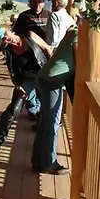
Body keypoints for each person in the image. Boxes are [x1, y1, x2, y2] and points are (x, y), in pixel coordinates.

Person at [0, 29, 52, 152]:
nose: (6, 39)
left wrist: (51, 70)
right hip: (25, 80)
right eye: (3, 40)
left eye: (5, 35)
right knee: (13, 109)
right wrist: (17, 85)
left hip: (41, 75)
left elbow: (47, 49)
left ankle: (44, 144)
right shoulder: (9, 50)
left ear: (10, 31)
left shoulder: (30, 36)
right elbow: (12, 71)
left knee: (47, 109)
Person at [31, 26, 78, 175]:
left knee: (45, 121)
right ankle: (49, 163)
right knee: (52, 123)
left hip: (46, 78)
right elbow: (81, 63)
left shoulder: (73, 32)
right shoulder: (78, 36)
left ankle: (38, 161)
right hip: (52, 81)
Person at [12, 0, 50, 116]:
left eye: (40, 2)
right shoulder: (24, 16)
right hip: (29, 55)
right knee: (29, 82)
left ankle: (39, 110)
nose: (37, 4)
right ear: (30, 2)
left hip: (44, 55)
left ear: (43, 3)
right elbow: (17, 35)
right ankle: (33, 110)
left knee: (42, 83)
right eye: (34, 1)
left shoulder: (49, 15)